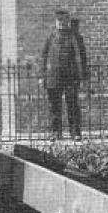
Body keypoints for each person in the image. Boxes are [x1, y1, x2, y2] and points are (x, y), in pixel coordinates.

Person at [40, 9, 87, 141]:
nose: (61, 23)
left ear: (68, 21)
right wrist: (42, 75)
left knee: (72, 105)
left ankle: (75, 132)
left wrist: (83, 77)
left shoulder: (75, 37)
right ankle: (55, 132)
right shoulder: (51, 37)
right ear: (56, 22)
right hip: (53, 77)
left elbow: (82, 58)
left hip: (71, 77)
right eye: (59, 21)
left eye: (64, 20)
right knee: (54, 106)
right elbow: (43, 57)